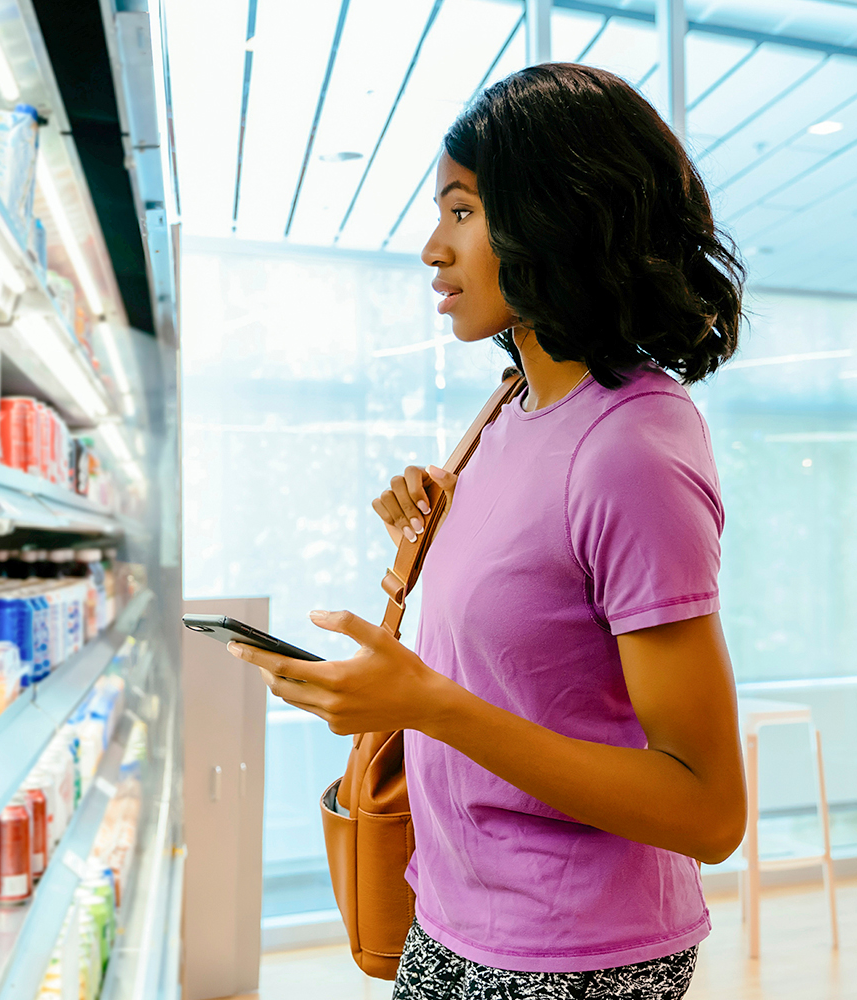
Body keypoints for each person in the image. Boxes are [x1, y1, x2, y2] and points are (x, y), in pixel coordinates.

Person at [225, 63, 748, 999]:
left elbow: (708, 810)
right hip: (453, 910)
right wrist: (435, 512)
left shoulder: (631, 446)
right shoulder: (512, 405)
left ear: (565, 211)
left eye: (462, 212)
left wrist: (428, 706)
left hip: (573, 957)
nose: (432, 248)